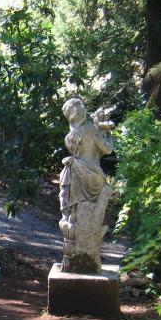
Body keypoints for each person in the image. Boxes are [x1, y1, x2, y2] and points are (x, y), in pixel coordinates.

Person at [58, 98, 114, 272]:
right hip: (94, 178)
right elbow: (107, 150)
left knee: (74, 218)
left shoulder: (70, 136)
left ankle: (75, 254)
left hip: (75, 175)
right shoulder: (90, 129)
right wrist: (106, 132)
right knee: (92, 219)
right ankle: (89, 256)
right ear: (80, 111)